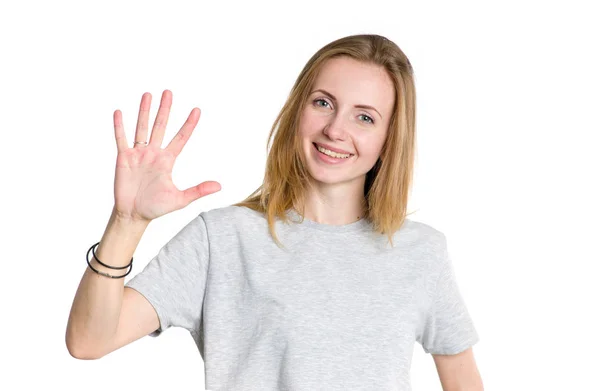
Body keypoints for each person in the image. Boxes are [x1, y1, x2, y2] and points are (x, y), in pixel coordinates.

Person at [66, 34, 482, 390]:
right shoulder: (223, 239)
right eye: (323, 102)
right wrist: (127, 223)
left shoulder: (420, 251)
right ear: (297, 110)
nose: (336, 129)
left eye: (364, 117)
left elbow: (463, 380)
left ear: (389, 139)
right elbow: (88, 341)